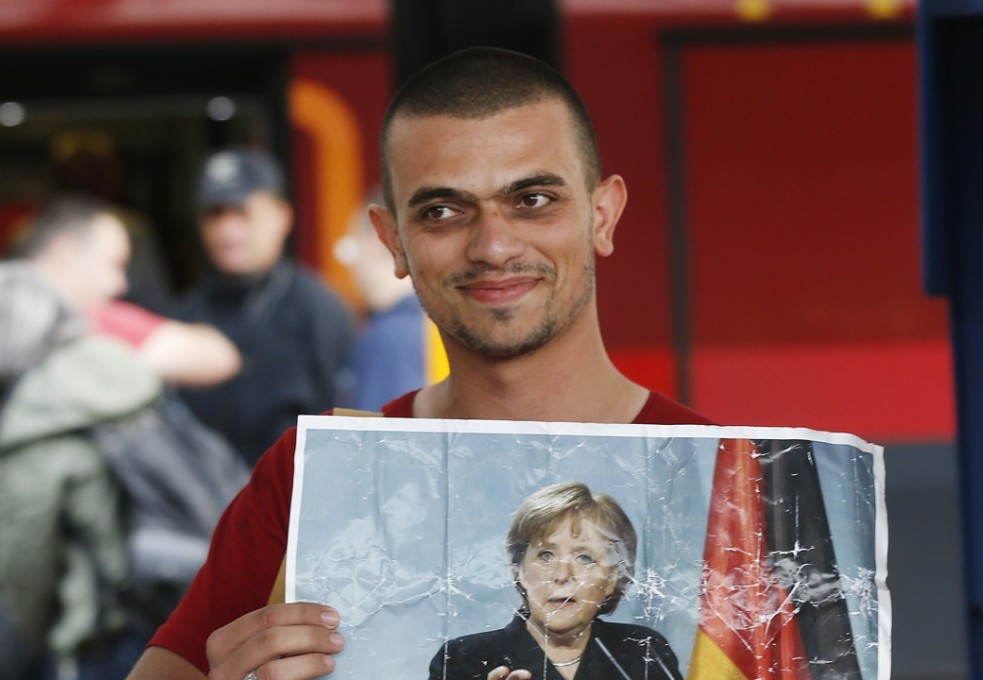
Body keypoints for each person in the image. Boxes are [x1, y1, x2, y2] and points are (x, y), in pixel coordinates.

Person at [126, 46, 714, 680]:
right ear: (393, 242)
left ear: (602, 214)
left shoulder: (725, 484)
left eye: (534, 200)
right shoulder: (315, 478)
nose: (493, 245)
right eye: (441, 211)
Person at [0, 262, 162, 679]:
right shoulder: (111, 372)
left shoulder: (38, 422)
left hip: (95, 638)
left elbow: (24, 576)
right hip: (161, 603)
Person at [173, 148, 358, 465]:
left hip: (292, 505)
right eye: (215, 214)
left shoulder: (318, 310)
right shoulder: (184, 317)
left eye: (242, 213)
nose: (228, 231)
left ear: (282, 217)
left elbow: (350, 428)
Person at [429, 482, 683, 680]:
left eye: (585, 558)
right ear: (518, 568)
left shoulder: (642, 650)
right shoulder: (464, 658)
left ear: (612, 577)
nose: (562, 575)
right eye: (546, 555)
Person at [13, 192, 241, 388]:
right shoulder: (76, 319)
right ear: (66, 252)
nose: (121, 285)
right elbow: (218, 359)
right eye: (114, 265)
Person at [335, 193, 436, 411]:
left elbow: (376, 438)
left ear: (377, 239)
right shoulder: (432, 320)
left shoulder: (390, 337)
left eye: (350, 247)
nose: (349, 265)